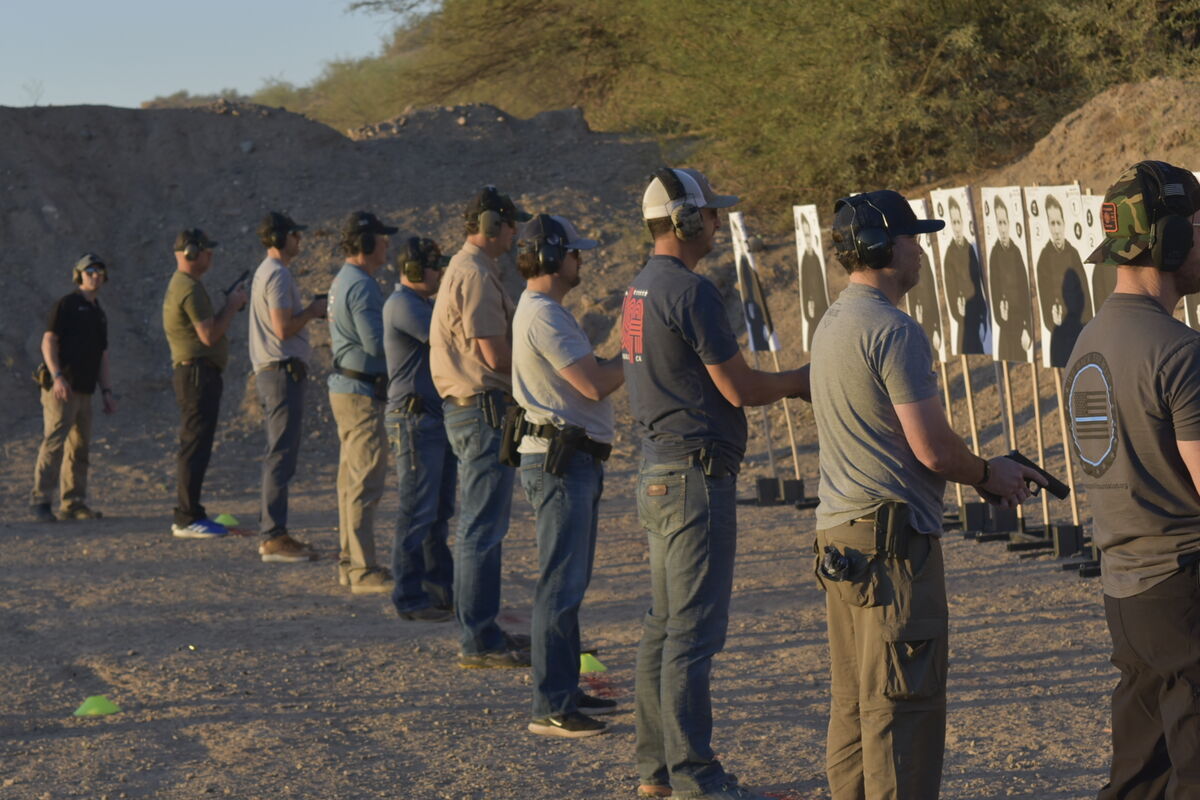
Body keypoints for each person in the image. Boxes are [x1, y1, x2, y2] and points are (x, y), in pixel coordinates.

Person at [811, 191, 1043, 800]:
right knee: (901, 708)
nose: (920, 251)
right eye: (912, 239)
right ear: (882, 248)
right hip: (890, 547)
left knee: (856, 705)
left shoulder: (834, 320)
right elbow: (933, 448)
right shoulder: (892, 329)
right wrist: (987, 474)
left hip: (840, 537)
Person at [623, 167, 810, 800]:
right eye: (709, 215)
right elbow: (743, 388)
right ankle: (696, 779)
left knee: (663, 627)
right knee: (692, 635)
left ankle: (657, 773)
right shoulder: (691, 292)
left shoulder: (635, 293)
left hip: (658, 472)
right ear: (685, 221)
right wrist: (803, 379)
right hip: (694, 476)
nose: (717, 224)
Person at [1063, 161, 1200, 800]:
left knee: (1140, 775)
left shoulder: (1088, 340)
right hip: (1184, 587)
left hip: (1127, 588)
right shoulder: (1178, 350)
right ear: (1168, 240)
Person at [512, 214, 624, 738]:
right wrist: (638, 358)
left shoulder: (546, 311)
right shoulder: (544, 316)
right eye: (574, 252)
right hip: (562, 461)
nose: (581, 260)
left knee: (567, 585)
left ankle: (561, 689)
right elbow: (594, 385)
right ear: (554, 257)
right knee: (559, 585)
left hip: (568, 458)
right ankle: (551, 704)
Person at [431, 186, 532, 669]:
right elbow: (493, 354)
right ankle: (478, 639)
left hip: (475, 408)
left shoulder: (470, 269)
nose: (515, 235)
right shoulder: (473, 274)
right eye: (511, 225)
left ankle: (483, 631)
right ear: (493, 225)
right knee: (481, 530)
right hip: (482, 408)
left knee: (481, 527)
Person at [383, 236, 456, 622]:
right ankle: (409, 597)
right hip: (414, 420)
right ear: (413, 269)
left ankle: (439, 591)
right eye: (432, 266)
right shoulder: (403, 305)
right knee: (416, 512)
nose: (438, 272)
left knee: (439, 511)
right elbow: (446, 338)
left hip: (431, 417)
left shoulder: (418, 303)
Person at [248, 211, 326, 563]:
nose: (300, 241)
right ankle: (273, 536)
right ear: (281, 238)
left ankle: (274, 532)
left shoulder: (269, 272)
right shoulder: (277, 274)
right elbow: (282, 328)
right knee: (280, 454)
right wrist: (312, 310)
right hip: (281, 371)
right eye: (295, 235)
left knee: (280, 452)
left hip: (277, 371)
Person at [328, 211, 398, 593]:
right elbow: (377, 344)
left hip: (349, 387)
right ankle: (362, 570)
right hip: (361, 392)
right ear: (367, 243)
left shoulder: (345, 280)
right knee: (363, 482)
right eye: (381, 239)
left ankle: (350, 562)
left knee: (349, 481)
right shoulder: (363, 286)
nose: (386, 245)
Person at [162, 229, 247, 538]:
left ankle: (192, 512)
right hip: (197, 374)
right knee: (194, 445)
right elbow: (209, 335)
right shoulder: (189, 288)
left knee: (195, 444)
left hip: (195, 373)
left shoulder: (184, 285)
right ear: (192, 253)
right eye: (207, 251)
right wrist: (233, 306)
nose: (211, 257)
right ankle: (186, 517)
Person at [30, 253, 117, 522]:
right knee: (54, 443)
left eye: (99, 271)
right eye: (89, 271)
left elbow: (102, 355)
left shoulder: (98, 312)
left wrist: (106, 391)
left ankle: (73, 502)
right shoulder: (66, 305)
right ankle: (41, 501)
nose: (95, 276)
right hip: (62, 389)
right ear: (78, 275)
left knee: (79, 448)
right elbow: (48, 341)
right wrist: (57, 376)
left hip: (85, 390)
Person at [1036, 194, 1092, 367]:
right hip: (1059, 335)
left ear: (1064, 224)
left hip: (1079, 332)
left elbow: (1086, 297)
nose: (1056, 229)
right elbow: (1044, 298)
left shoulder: (1074, 254)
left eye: (1058, 223)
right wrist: (1052, 319)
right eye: (1052, 224)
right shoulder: (1044, 259)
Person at [987, 196, 1034, 363]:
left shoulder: (1016, 251)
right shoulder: (994, 254)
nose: (1003, 228)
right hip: (1005, 322)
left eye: (1004, 222)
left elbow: (1024, 288)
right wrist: (1001, 316)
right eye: (999, 223)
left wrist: (1027, 326)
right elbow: (994, 289)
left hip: (1020, 320)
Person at [940, 195, 987, 354]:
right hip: (962, 315)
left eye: (958, 222)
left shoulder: (969, 249)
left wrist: (982, 313)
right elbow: (949, 284)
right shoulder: (950, 253)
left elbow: (978, 282)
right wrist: (956, 306)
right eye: (953, 223)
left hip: (976, 311)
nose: (957, 227)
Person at [799, 212, 829, 351]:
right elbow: (805, 286)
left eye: (809, 235)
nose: (809, 239)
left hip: (822, 305)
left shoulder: (815, 257)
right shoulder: (805, 259)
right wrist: (809, 301)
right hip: (812, 307)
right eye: (805, 236)